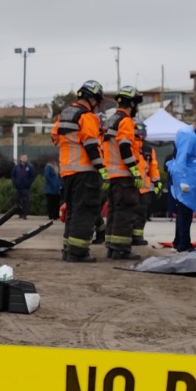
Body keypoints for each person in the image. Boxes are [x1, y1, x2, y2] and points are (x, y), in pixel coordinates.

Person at [53, 80, 105, 262]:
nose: (97, 106)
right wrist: (102, 168)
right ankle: (78, 252)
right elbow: (91, 145)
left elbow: (55, 138)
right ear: (92, 99)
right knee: (85, 211)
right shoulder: (87, 117)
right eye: (97, 101)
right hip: (86, 171)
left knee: (73, 211)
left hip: (67, 172)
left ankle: (69, 249)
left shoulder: (63, 115)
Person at [101, 88, 143, 260]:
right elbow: (125, 146)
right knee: (125, 212)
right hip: (123, 175)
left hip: (111, 175)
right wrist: (134, 170)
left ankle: (112, 247)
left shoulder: (111, 120)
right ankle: (121, 249)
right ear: (131, 104)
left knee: (114, 211)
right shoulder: (125, 121)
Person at [168, 112, 196, 253]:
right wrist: (182, 181)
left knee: (183, 212)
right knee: (185, 212)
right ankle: (183, 244)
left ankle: (179, 241)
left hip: (189, 179)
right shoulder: (188, 135)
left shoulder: (193, 135)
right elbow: (181, 159)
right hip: (185, 179)